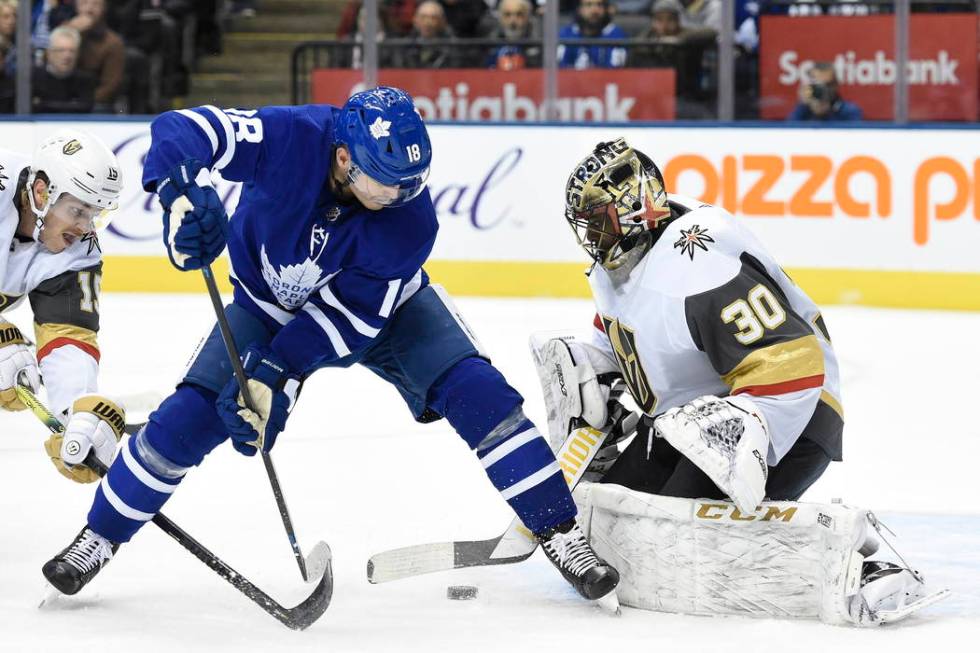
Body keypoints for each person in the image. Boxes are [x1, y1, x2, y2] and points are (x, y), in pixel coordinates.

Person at [41, 87, 620, 607]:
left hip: (386, 311)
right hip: (263, 304)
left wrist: (277, 373)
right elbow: (185, 127)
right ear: (343, 157)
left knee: (480, 394)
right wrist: (178, 191)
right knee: (187, 419)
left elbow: (349, 322)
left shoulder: (409, 220)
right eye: (388, 180)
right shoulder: (291, 137)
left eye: (412, 181)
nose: (403, 194)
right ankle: (98, 537)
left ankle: (561, 531)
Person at [533, 137, 939, 625]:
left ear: (634, 208)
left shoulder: (700, 264)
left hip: (795, 414)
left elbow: (792, 363)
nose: (591, 235)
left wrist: (741, 433)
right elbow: (634, 326)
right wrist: (599, 378)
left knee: (674, 545)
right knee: (614, 529)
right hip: (688, 423)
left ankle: (861, 561)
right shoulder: (631, 256)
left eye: (599, 219)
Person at [0, 129, 126, 486]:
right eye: (77, 211)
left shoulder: (77, 252)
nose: (84, 228)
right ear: (42, 192)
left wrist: (76, 412)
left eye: (94, 214)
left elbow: (67, 338)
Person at [66, 0, 125, 112]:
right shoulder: (63, 31)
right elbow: (49, 66)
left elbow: (110, 86)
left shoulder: (113, 43)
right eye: (84, 3)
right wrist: (70, 32)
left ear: (104, 8)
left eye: (96, 4)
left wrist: (82, 103)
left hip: (93, 104)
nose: (89, 9)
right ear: (76, 6)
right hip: (57, 99)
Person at [32, 25, 96, 113]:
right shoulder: (33, 79)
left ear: (78, 54)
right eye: (61, 50)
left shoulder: (85, 81)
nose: (67, 56)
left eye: (72, 51)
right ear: (49, 53)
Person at [558, 0, 627, 70]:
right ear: (579, 9)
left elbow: (615, 70)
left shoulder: (615, 34)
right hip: (571, 79)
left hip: (603, 80)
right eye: (588, 5)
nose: (594, 10)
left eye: (599, 5)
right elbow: (560, 68)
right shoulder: (567, 33)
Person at [392, 0, 458, 69]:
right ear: (415, 20)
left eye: (433, 18)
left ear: (442, 22)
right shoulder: (404, 47)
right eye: (423, 17)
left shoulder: (452, 47)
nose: (428, 22)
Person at [787, 62, 862, 121]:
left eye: (827, 85)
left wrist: (827, 113)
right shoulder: (803, 110)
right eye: (817, 85)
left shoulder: (849, 111)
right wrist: (803, 105)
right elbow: (788, 133)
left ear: (835, 85)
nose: (822, 90)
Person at [486, 0, 541, 71]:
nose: (513, 21)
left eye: (519, 14)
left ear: (528, 18)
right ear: (500, 18)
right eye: (507, 14)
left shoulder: (537, 50)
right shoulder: (490, 48)